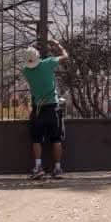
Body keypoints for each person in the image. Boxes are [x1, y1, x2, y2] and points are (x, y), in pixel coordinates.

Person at [22, 37, 69, 179]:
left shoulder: (26, 71)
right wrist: (56, 44)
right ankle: (57, 168)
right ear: (38, 56)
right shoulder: (48, 63)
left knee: (36, 139)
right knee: (56, 139)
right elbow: (65, 56)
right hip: (53, 106)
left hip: (38, 108)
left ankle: (38, 168)